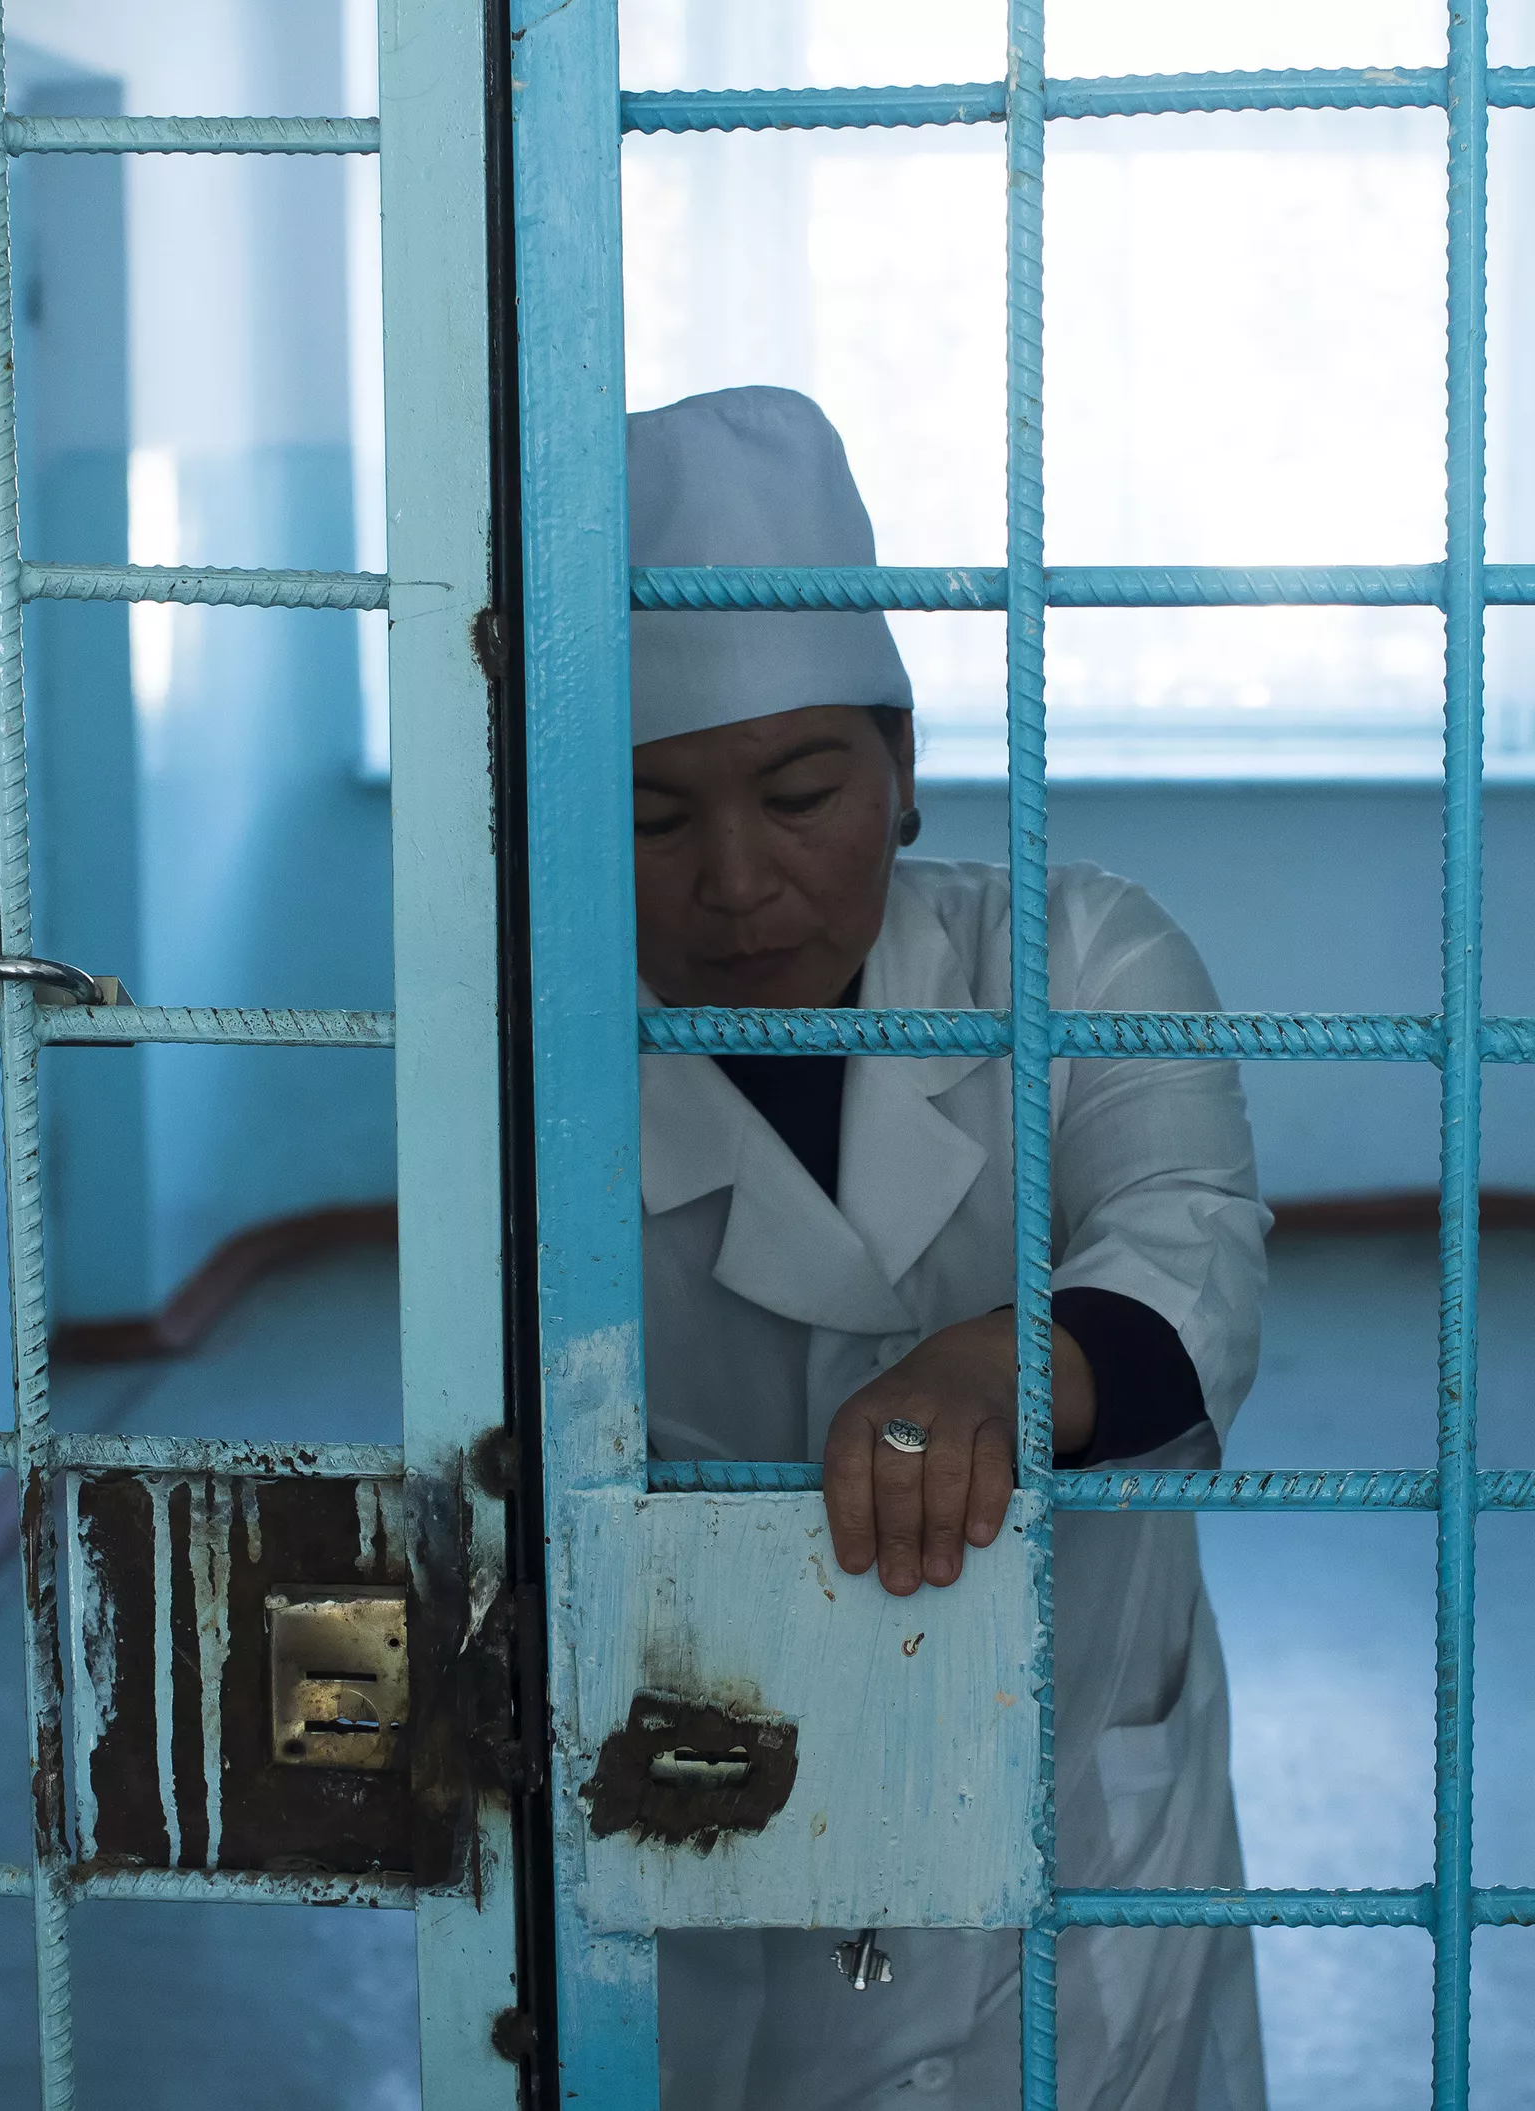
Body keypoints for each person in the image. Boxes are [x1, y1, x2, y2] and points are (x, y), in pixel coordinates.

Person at [633, 388, 1269, 2111]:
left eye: (799, 791)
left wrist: (1005, 1361)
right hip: (721, 1843)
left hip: (1082, 1822)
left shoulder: (1078, 956)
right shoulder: (539, 1087)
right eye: (654, 818)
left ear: (903, 769)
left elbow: (1193, 1244)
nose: (736, 880)